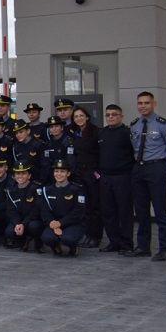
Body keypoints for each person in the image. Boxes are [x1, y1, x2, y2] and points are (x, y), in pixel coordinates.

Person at [129, 91, 166, 261]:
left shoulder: (165, 125)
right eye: (140, 103)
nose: (143, 106)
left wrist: (161, 164)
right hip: (139, 169)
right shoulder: (134, 125)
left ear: (154, 104)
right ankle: (143, 247)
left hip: (157, 168)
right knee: (141, 211)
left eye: (146, 103)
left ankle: (164, 249)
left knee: (161, 210)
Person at [96, 104, 133, 254]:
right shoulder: (102, 133)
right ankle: (114, 242)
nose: (110, 117)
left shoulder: (127, 133)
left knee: (124, 212)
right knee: (108, 212)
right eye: (108, 115)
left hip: (122, 178)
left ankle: (126, 244)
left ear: (121, 116)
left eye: (114, 114)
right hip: (105, 178)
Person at [68, 106, 101, 248]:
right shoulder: (75, 133)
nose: (79, 118)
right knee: (84, 206)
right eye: (76, 116)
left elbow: (99, 153)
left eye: (81, 115)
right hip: (79, 174)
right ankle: (87, 235)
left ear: (87, 117)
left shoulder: (96, 132)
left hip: (92, 174)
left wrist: (97, 172)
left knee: (94, 207)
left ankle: (95, 236)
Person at [39, 159, 86, 256]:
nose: (59, 174)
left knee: (68, 238)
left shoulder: (77, 190)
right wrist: (52, 222)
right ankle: (56, 246)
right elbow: (44, 210)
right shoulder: (47, 190)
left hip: (72, 224)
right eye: (56, 171)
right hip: (54, 223)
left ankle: (73, 247)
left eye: (62, 171)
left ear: (68, 174)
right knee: (47, 238)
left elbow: (78, 211)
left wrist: (60, 223)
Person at [5, 164, 44, 252]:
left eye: (23, 173)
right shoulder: (11, 190)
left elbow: (36, 210)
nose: (20, 176)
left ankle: (37, 242)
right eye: (18, 174)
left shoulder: (36, 188)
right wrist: (17, 224)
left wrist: (23, 224)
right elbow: (11, 211)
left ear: (29, 176)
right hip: (20, 221)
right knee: (9, 232)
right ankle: (22, 241)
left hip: (32, 220)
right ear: (14, 176)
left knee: (34, 227)